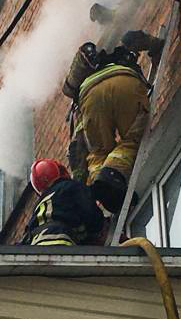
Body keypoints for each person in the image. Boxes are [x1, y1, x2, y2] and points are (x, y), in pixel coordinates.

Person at [62, 30, 164, 213]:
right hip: (125, 82)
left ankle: (105, 187)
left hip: (90, 96)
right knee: (133, 140)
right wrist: (156, 45)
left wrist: (80, 186)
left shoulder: (81, 91)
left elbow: (78, 150)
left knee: (98, 153)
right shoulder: (122, 50)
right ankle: (111, 176)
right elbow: (136, 38)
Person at [24, 159, 105, 246]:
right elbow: (90, 212)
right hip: (59, 242)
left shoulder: (39, 207)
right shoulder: (69, 186)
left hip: (35, 249)